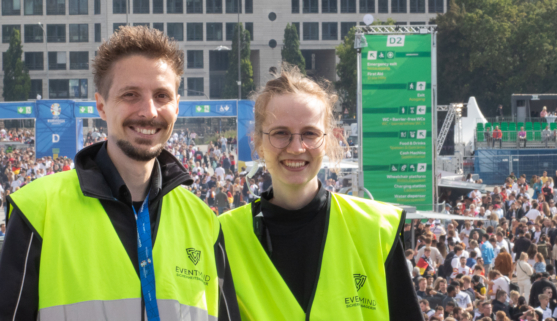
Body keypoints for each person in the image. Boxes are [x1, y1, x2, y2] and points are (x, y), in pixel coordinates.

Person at [0, 26, 239, 321]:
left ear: (177, 106)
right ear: (101, 106)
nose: (149, 111)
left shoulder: (204, 222)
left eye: (162, 95)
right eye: (130, 94)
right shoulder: (38, 211)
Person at [217, 65, 423, 320]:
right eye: (281, 133)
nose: (296, 147)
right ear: (258, 142)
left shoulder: (377, 229)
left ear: (326, 140)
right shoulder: (222, 236)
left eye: (310, 134)